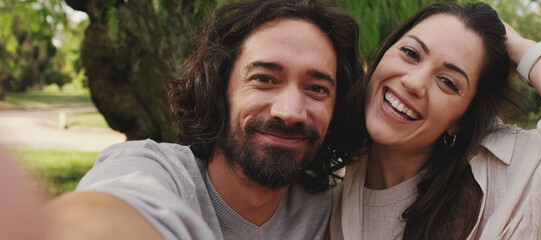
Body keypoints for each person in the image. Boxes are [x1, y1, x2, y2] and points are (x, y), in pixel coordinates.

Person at [329, 2, 541, 240]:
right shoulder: (327, 165)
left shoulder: (507, 185)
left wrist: (523, 49)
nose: (414, 82)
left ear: (461, 121)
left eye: (448, 82)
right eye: (410, 53)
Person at [46, 0, 363, 239]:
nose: (290, 111)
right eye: (265, 79)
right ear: (216, 88)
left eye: (317, 88)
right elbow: (96, 217)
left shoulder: (337, 212)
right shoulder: (156, 171)